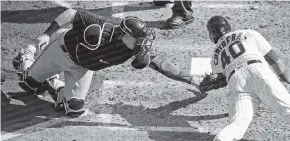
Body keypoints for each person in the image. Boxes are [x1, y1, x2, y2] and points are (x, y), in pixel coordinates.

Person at [12, 8, 201, 117]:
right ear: (125, 35)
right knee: (27, 85)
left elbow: (162, 65)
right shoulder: (98, 29)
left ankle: (53, 83)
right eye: (139, 38)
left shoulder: (134, 50)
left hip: (83, 68)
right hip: (60, 52)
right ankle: (26, 57)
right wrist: (46, 34)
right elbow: (70, 13)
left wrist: (192, 80)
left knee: (73, 108)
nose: (142, 43)